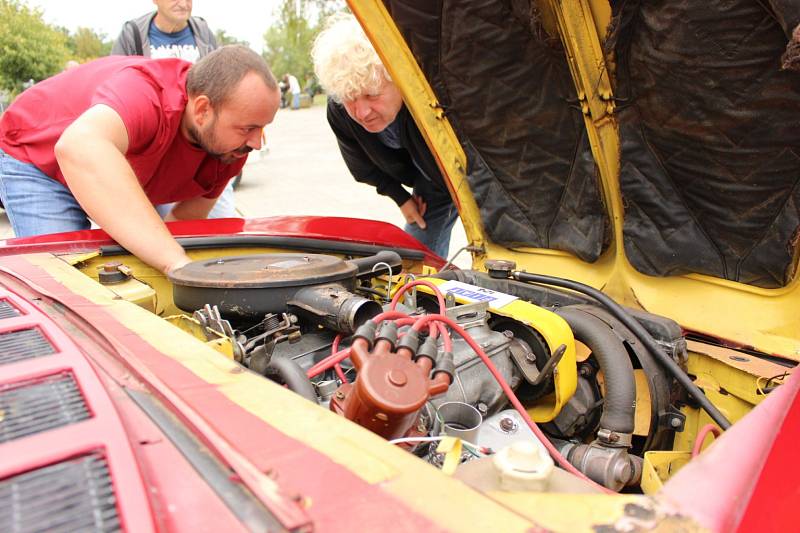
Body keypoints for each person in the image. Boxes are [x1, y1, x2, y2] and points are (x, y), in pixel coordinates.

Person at [0, 46, 281, 274]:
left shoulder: (230, 150)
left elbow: (183, 221)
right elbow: (78, 146)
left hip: (111, 167)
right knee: (65, 277)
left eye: (263, 127)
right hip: (38, 159)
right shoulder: (146, 93)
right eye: (248, 128)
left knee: (153, 260)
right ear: (203, 109)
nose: (257, 142)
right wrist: (175, 262)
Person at [311, 15, 458, 258]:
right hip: (428, 180)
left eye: (372, 95)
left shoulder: (437, 91)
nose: (361, 112)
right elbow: (361, 167)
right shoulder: (339, 111)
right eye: (350, 98)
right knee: (414, 254)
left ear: (399, 80)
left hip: (465, 169)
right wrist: (400, 197)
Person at [111, 0, 237, 219]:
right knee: (159, 226)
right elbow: (116, 82)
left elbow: (221, 84)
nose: (183, 2)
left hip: (200, 147)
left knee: (222, 220)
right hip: (158, 150)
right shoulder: (134, 33)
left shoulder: (203, 32)